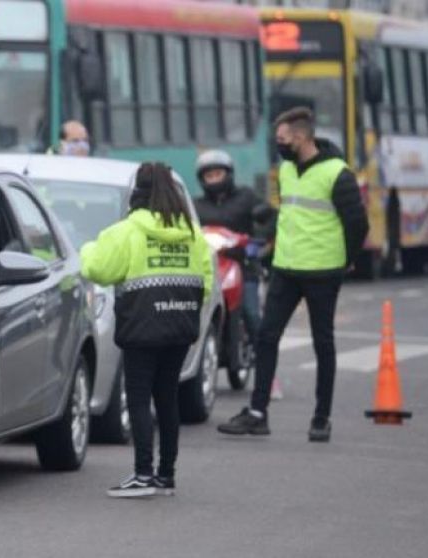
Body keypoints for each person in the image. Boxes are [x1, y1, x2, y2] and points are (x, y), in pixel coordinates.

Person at [217, 107, 368, 442]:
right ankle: (257, 413)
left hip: (323, 272)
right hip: (286, 268)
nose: (279, 144)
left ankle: (321, 418)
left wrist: (348, 260)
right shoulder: (285, 169)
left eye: (283, 139)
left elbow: (358, 223)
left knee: (322, 342)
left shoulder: (337, 173)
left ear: (301, 137)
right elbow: (288, 214)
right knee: (266, 338)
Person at [81, 162, 213, 498]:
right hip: (180, 326)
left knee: (139, 398)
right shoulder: (193, 235)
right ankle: (166, 476)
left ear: (137, 192)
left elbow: (98, 268)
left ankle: (142, 473)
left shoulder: (127, 230)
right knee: (167, 397)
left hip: (142, 326)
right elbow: (207, 281)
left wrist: (86, 249)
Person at [193, 149, 265, 366]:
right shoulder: (196, 207)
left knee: (252, 315)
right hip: (208, 269)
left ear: (229, 174)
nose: (214, 179)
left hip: (244, 267)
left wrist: (255, 243)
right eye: (209, 175)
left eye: (218, 174)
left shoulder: (247, 197)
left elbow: (270, 219)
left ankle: (267, 371)